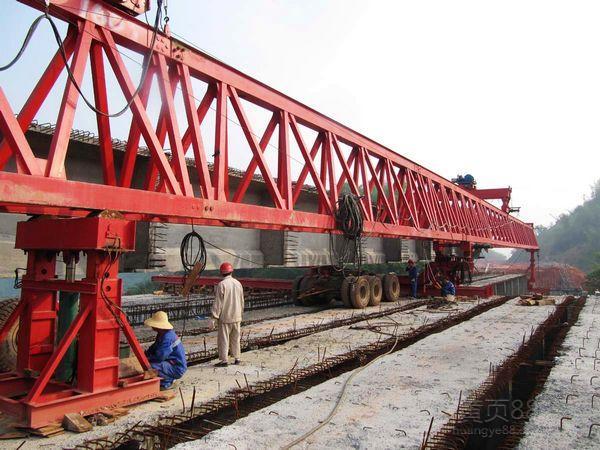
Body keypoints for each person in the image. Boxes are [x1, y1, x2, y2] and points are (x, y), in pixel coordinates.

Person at [212, 262, 245, 367]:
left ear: (221, 273)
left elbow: (218, 303)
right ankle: (237, 358)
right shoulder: (238, 283)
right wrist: (240, 313)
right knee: (236, 339)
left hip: (225, 317)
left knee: (224, 339)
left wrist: (214, 317)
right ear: (231, 271)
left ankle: (224, 360)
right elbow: (242, 300)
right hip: (237, 316)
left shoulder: (222, 285)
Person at [144, 311, 187, 390]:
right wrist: (146, 354)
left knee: (151, 366)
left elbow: (160, 357)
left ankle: (168, 382)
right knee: (149, 363)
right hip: (172, 364)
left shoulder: (167, 338)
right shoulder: (162, 334)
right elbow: (155, 346)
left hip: (177, 368)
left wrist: (148, 359)